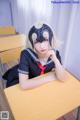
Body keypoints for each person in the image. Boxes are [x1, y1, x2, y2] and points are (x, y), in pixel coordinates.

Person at [3, 23, 65, 89]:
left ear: (51, 39)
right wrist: (50, 78)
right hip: (18, 80)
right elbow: (24, 85)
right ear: (31, 42)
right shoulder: (26, 54)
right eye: (36, 42)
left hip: (37, 84)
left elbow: (62, 78)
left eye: (46, 40)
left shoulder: (54, 53)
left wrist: (55, 60)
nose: (42, 46)